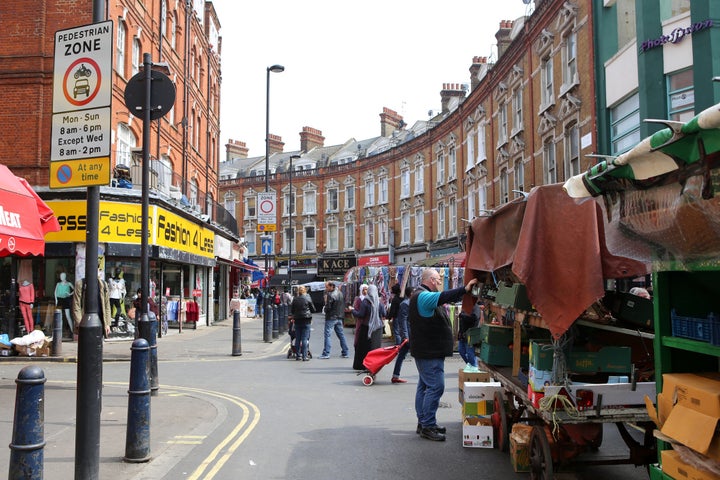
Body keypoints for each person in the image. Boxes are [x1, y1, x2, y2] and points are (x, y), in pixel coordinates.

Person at [410, 269, 478, 441]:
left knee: (424, 387)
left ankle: (424, 422)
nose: (441, 282)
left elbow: (447, 297)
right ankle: (428, 425)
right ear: (432, 280)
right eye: (439, 279)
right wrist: (465, 289)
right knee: (435, 387)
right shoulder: (424, 296)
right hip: (429, 351)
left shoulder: (420, 295)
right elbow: (445, 296)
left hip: (426, 350)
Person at [351, 284, 386, 370]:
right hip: (378, 329)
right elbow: (384, 314)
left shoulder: (365, 302)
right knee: (375, 348)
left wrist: (353, 311)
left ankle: (363, 365)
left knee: (364, 348)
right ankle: (375, 365)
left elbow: (361, 315)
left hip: (366, 328)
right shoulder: (379, 303)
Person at [72, 270, 112, 338]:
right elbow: (76, 305)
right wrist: (79, 323)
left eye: (99, 269)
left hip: (100, 321)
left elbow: (107, 305)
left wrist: (107, 324)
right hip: (85, 321)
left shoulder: (103, 284)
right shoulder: (80, 284)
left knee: (98, 345)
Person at [319, 282, 349, 359]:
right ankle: (345, 352)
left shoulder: (330, 295)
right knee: (341, 335)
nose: (326, 289)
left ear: (332, 286)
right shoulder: (340, 293)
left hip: (331, 318)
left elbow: (328, 307)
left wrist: (325, 308)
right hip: (339, 317)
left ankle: (326, 353)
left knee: (328, 335)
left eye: (327, 287)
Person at [391, 285, 414, 384]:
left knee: (402, 355)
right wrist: (405, 336)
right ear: (411, 294)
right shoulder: (405, 304)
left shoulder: (412, 303)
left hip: (410, 334)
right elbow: (403, 320)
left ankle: (395, 375)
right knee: (419, 355)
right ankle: (426, 378)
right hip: (409, 335)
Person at [290, 285, 314, 361]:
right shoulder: (307, 298)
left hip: (297, 320)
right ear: (305, 291)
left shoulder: (295, 299)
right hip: (306, 320)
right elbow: (313, 309)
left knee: (297, 338)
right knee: (304, 338)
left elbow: (292, 310)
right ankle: (304, 356)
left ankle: (298, 356)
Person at [457, 307, 480, 373]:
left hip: (470, 335)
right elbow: (461, 322)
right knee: (461, 351)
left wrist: (463, 315)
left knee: (470, 353)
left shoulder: (476, 308)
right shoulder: (465, 307)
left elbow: (474, 318)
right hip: (462, 335)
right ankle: (471, 365)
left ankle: (473, 366)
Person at [54, 272, 74, 337]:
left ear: (65, 276)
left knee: (68, 316)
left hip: (66, 300)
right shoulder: (58, 284)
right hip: (59, 300)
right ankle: (59, 333)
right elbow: (55, 292)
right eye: (60, 276)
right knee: (59, 317)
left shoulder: (68, 283)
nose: (61, 277)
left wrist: (70, 294)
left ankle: (73, 331)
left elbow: (75, 290)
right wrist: (56, 300)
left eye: (62, 276)